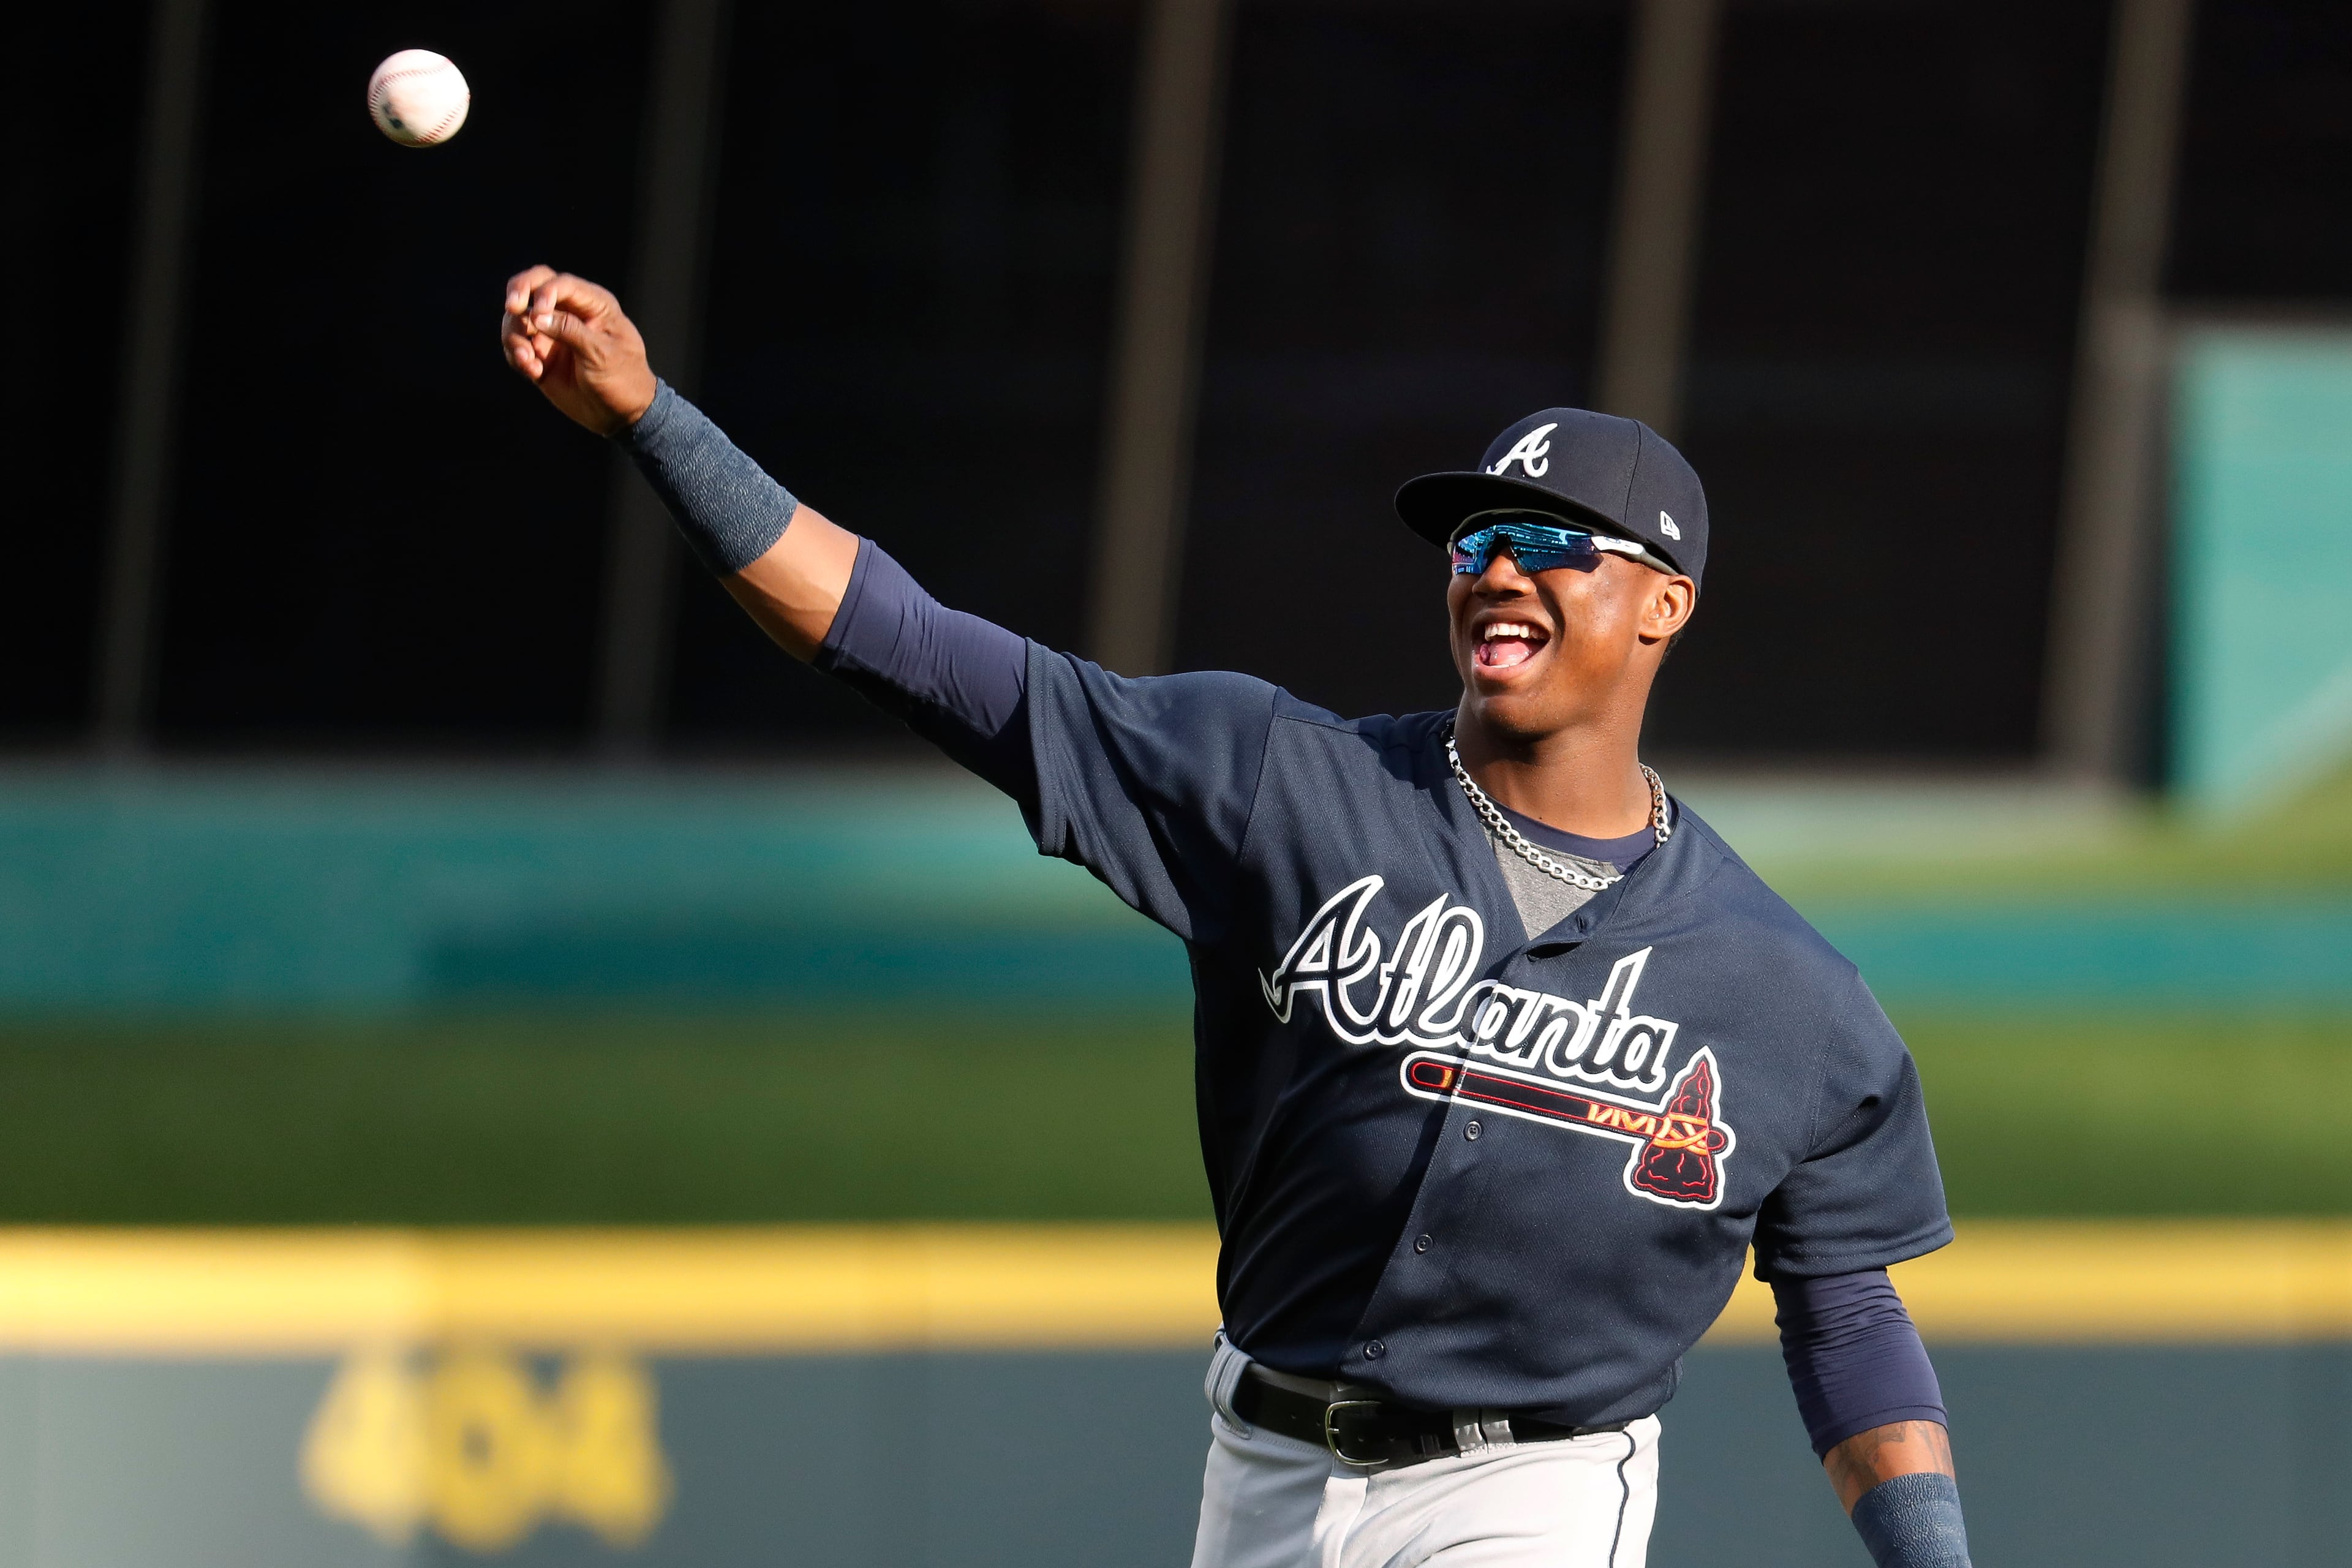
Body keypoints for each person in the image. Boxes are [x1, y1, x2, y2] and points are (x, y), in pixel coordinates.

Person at [500, 266, 1972, 1568]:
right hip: (1263, 1463)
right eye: (1474, 544)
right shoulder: (1283, 779)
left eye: (1550, 541)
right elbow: (917, 650)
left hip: (1536, 1489)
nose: (1499, 569)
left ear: (1664, 603)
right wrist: (656, 423)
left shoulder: (1787, 993)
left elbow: (1842, 1307)